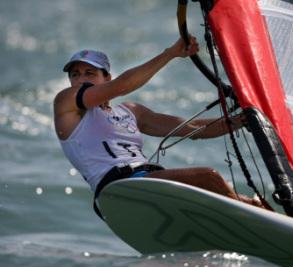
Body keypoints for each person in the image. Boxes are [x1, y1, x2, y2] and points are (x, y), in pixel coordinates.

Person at [53, 37, 264, 218]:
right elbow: (122, 86)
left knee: (252, 201)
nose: (81, 80)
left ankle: (259, 213)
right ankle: (257, 219)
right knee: (209, 177)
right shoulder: (66, 103)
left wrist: (241, 120)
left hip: (147, 181)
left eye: (89, 73)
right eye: (75, 74)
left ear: (106, 77)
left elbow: (192, 128)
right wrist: (170, 53)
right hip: (117, 187)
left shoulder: (131, 111)